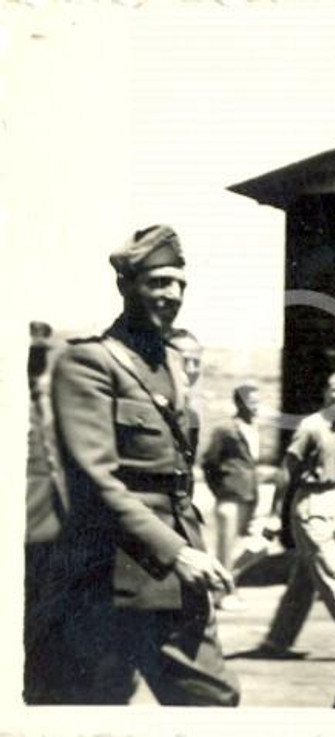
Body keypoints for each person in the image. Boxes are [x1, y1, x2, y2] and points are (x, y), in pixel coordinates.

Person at [47, 225, 239, 705]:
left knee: (211, 699)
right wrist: (176, 552)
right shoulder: (89, 363)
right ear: (125, 286)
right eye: (158, 283)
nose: (172, 295)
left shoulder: (169, 361)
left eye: (179, 284)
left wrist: (188, 552)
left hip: (172, 573)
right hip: (109, 575)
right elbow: (96, 482)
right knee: (93, 705)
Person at [247, 371, 335, 659]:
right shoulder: (310, 427)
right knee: (334, 573)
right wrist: (272, 514)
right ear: (324, 392)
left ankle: (277, 641)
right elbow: (285, 471)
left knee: (304, 581)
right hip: (311, 504)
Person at [24, 320, 72, 703]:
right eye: (29, 355)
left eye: (40, 355)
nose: (35, 363)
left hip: (52, 531)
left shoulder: (46, 402)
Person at [201, 383, 262, 611]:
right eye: (250, 401)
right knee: (225, 550)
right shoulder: (226, 429)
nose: (255, 406)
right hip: (229, 497)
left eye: (258, 401)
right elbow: (209, 462)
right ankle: (222, 595)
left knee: (256, 545)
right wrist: (220, 490)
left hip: (250, 496)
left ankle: (226, 584)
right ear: (239, 403)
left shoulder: (255, 428)